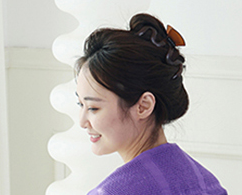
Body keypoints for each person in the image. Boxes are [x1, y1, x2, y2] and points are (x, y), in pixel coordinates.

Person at [73, 13, 189, 160]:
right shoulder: (196, 172)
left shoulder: (134, 176)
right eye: (80, 104)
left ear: (144, 106)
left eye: (93, 108)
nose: (82, 122)